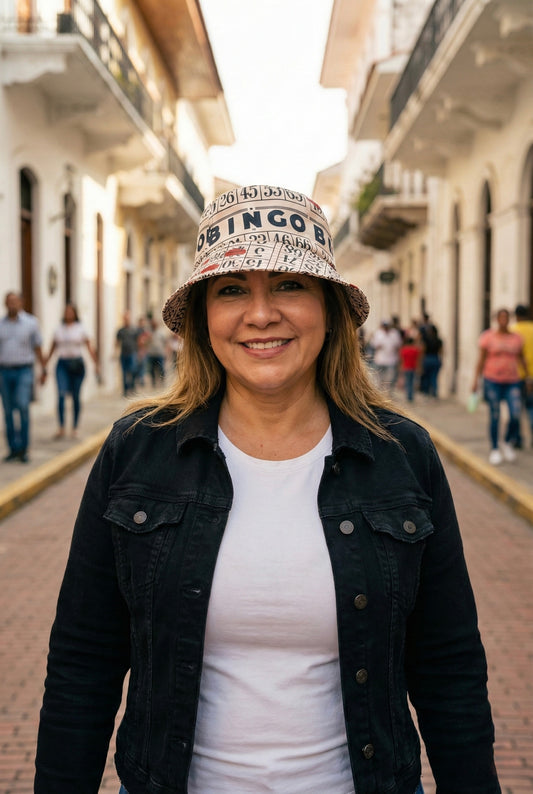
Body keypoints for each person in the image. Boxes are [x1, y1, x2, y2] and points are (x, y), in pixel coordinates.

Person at [35, 185, 501, 794]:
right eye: (232, 290)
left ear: (329, 307)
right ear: (205, 316)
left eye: (288, 284)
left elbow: (448, 667)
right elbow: (84, 663)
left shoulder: (402, 456)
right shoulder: (137, 452)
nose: (260, 314)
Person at [471, 307, 530, 465]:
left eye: (506, 317)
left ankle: (507, 441)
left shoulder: (516, 338)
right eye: (501, 317)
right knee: (495, 414)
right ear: (496, 319)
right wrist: (475, 380)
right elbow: (481, 360)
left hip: (513, 381)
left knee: (515, 414)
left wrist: (528, 378)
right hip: (492, 381)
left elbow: (522, 358)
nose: (503, 320)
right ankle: (495, 448)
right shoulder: (488, 337)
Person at [0, 291, 47, 462]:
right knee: (7, 411)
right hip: (4, 371)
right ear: (6, 304)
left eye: (15, 301)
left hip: (24, 371)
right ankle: (13, 448)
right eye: (9, 301)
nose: (12, 304)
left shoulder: (31, 322)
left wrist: (44, 368)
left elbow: (38, 347)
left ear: (21, 303)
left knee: (22, 406)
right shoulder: (1, 324)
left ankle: (24, 448)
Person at [44, 303, 99, 439]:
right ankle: (61, 427)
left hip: (77, 365)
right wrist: (45, 364)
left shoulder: (81, 329)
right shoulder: (58, 329)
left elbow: (89, 347)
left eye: (70, 311)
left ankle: (75, 427)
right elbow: (52, 348)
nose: (68, 314)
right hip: (62, 365)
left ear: (74, 313)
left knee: (75, 396)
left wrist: (96, 364)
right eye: (66, 311)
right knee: (61, 395)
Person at [511, 304, 533, 448]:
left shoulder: (513, 331)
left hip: (517, 376)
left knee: (516, 409)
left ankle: (518, 439)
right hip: (532, 376)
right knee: (531, 408)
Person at [369, 318, 402, 394]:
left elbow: (398, 345)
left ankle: (388, 392)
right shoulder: (378, 333)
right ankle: (380, 392)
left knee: (390, 378)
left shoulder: (394, 333)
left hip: (391, 360)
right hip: (380, 359)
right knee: (379, 377)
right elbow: (373, 344)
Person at [116, 311, 139, 397]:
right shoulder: (120, 331)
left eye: (127, 318)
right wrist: (115, 353)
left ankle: (132, 387)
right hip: (123, 354)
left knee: (132, 370)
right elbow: (117, 342)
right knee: (124, 373)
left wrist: (139, 352)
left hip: (132, 353)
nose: (126, 320)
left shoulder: (134, 330)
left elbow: (138, 341)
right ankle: (125, 390)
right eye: (125, 319)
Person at [420, 324, 443, 398]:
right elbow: (441, 351)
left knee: (427, 376)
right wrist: (440, 360)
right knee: (434, 377)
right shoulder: (439, 340)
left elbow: (423, 350)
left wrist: (421, 360)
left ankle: (427, 392)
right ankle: (434, 393)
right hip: (435, 359)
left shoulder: (426, 340)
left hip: (428, 358)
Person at [145, 315, 168, 387]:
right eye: (153, 323)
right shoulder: (148, 332)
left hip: (159, 353)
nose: (154, 324)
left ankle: (162, 381)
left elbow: (166, 342)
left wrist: (166, 352)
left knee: (161, 368)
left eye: (155, 323)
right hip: (151, 354)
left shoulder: (161, 332)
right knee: (151, 369)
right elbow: (145, 343)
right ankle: (153, 382)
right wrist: (148, 339)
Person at [399, 333, 423, 402]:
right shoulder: (415, 350)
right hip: (413, 367)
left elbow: (402, 359)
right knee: (412, 382)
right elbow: (418, 360)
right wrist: (419, 367)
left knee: (407, 381)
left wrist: (401, 367)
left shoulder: (404, 350)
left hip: (406, 367)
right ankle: (411, 396)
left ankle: (408, 395)